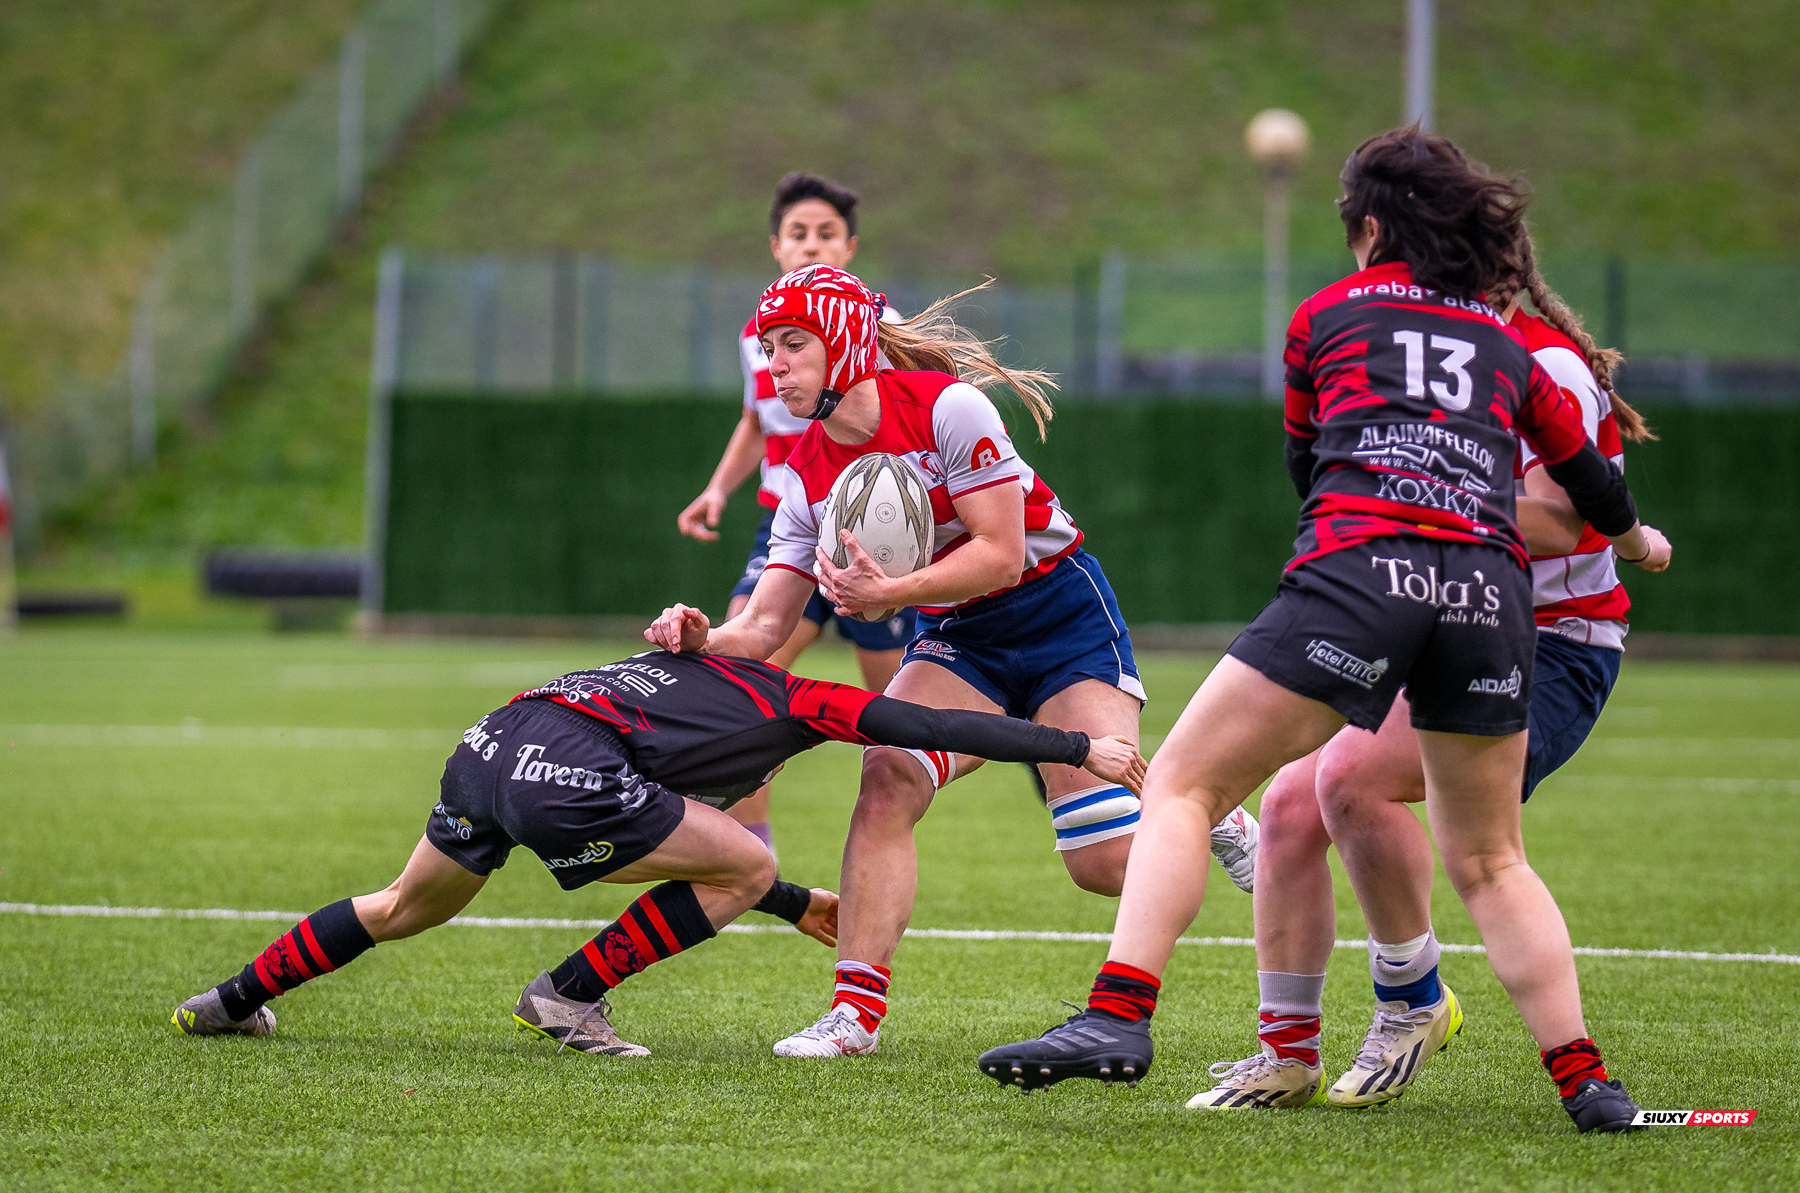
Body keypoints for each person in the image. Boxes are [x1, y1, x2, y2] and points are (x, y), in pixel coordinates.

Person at [975, 127, 1672, 1135]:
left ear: (1373, 226)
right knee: (1490, 860)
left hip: (1370, 577)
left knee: (1183, 780)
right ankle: (1587, 1085)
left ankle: (1116, 1017)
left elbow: (1312, 467)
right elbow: (1599, 492)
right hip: (1488, 596)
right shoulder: (1506, 342)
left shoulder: (1326, 315)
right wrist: (1639, 538)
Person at [647, 264, 1260, 1058]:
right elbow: (765, 624)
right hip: (960, 637)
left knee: (1103, 862)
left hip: (1058, 615)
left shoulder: (948, 407)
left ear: (842, 343)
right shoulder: (802, 474)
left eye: (793, 344)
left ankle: (1208, 807)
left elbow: (1004, 557)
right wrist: (703, 639)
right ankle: (854, 1015)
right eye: (769, 348)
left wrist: (892, 590)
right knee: (887, 776)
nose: (776, 367)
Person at [1193, 248, 1669, 1113]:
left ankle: (1420, 1005)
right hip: (1431, 616)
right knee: (1292, 806)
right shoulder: (1417, 338)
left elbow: (1567, 523)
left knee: (1361, 787)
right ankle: (1287, 1053)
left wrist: (1411, 488)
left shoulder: (1537, 357)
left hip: (1549, 639)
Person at [171, 649, 1144, 1056]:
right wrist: (1074, 746)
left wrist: (796, 901)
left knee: (401, 907)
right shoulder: (802, 699)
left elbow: (687, 842)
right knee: (747, 866)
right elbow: (926, 720)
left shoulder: (686, 659)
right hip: (566, 770)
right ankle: (566, 995)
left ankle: (231, 1002)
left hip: (490, 743)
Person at [675, 173, 914, 860]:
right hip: (789, 524)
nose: (811, 244)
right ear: (776, 246)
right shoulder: (758, 335)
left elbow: (914, 414)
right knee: (742, 682)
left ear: (850, 247)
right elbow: (757, 421)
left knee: (910, 714)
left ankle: (1063, 755)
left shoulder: (879, 324)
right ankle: (750, 852)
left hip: (876, 533)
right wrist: (718, 488)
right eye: (798, 233)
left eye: (826, 233)